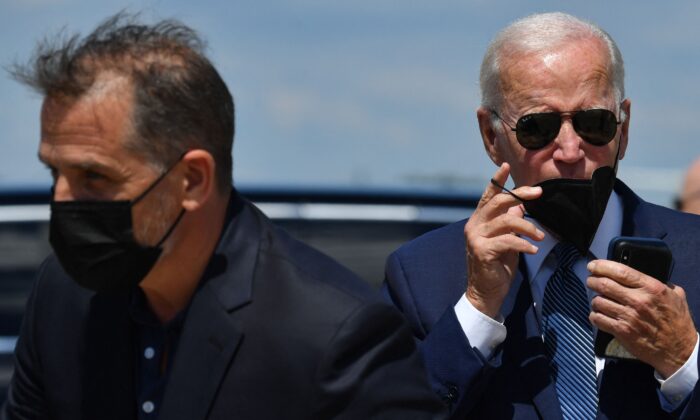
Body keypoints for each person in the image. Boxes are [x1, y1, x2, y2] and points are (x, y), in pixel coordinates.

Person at [1, 13, 444, 420]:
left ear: (192, 179)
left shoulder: (336, 336)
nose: (62, 200)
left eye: (94, 177)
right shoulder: (64, 297)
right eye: (54, 172)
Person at [383, 12, 700, 419]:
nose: (570, 150)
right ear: (491, 136)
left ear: (624, 128)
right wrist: (478, 309)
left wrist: (684, 359)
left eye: (594, 123)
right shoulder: (423, 275)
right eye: (538, 128)